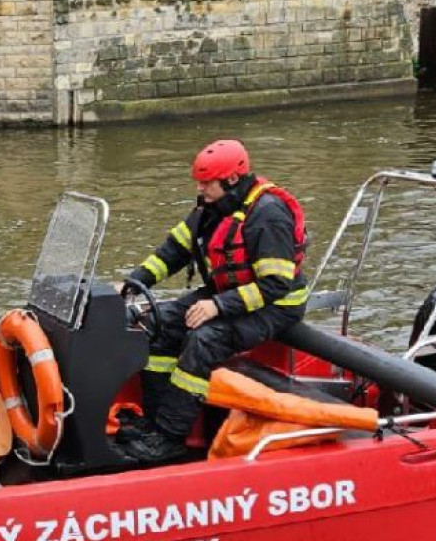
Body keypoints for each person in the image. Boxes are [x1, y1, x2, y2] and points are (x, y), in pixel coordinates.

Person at [117, 139, 310, 462]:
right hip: (230, 293)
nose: (200, 188)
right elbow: (175, 250)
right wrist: (136, 281)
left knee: (204, 340)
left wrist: (217, 306)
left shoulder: (267, 215)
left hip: (275, 306)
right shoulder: (212, 208)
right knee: (157, 325)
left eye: (207, 183)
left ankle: (170, 437)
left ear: (232, 180)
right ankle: (154, 424)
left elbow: (276, 285)